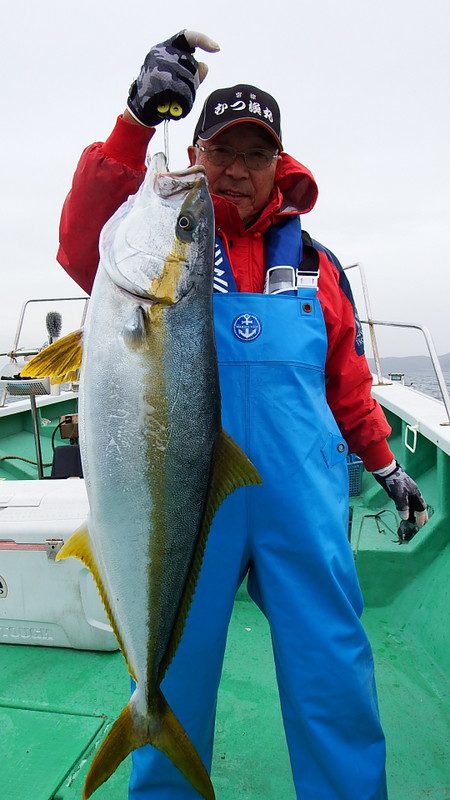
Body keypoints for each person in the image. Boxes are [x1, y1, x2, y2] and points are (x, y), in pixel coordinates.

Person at [57, 31, 428, 800]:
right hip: (190, 501)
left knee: (334, 671)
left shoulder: (317, 266)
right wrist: (134, 120)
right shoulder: (157, 240)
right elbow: (78, 240)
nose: (236, 169)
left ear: (278, 168)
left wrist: (388, 468)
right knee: (176, 667)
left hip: (302, 501)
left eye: (256, 154)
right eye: (223, 149)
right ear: (195, 152)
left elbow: (346, 382)